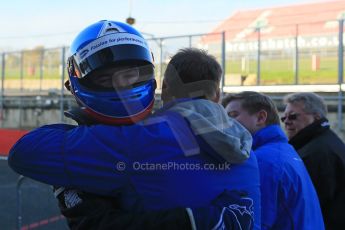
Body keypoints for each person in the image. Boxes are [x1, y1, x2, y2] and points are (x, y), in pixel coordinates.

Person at [8, 20, 261, 230]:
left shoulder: (140, 141)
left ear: (164, 86)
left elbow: (24, 152)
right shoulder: (246, 146)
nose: (122, 86)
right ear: (217, 93)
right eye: (108, 78)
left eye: (130, 75)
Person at [222, 91, 324, 229]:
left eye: (233, 116)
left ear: (260, 117)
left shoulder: (263, 161)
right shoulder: (285, 152)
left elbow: (257, 223)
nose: (226, 124)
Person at [283, 92, 345, 230]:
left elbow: (312, 203)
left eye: (293, 116)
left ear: (316, 117)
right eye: (284, 117)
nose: (286, 121)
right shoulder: (324, 141)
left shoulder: (318, 152)